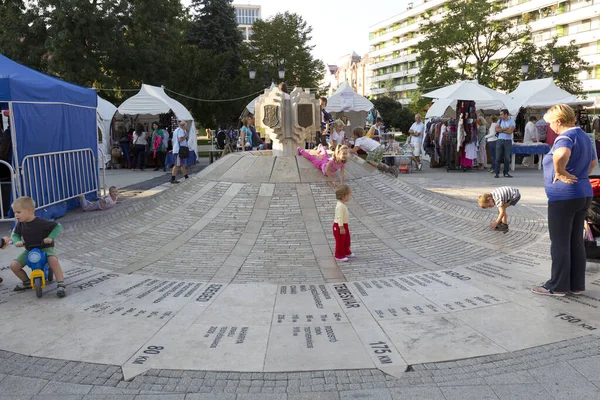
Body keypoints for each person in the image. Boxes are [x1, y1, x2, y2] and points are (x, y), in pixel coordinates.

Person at [532, 104, 596, 297]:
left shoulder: (566, 137)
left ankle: (557, 286)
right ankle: (576, 285)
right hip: (583, 193)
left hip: (564, 197)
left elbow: (561, 154)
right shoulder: (584, 136)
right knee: (575, 240)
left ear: (559, 121)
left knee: (559, 242)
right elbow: (593, 162)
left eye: (551, 123)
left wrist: (560, 172)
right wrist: (580, 175)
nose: (550, 127)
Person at [10, 196, 66, 297]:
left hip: (45, 248)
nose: (16, 215)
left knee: (53, 260)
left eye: (18, 212)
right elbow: (15, 234)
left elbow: (57, 226)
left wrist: (50, 237)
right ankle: (26, 281)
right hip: (29, 249)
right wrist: (17, 241)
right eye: (15, 212)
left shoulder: (41, 222)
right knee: (14, 265)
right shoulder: (20, 224)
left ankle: (61, 284)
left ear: (30, 210)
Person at [333, 184, 354, 262]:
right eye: (349, 195)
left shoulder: (342, 204)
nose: (350, 197)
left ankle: (346, 251)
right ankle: (339, 254)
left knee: (346, 239)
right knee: (340, 241)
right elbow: (339, 218)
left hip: (344, 225)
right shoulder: (340, 206)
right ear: (344, 196)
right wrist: (341, 227)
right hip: (339, 226)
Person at [494, 109, 516, 178]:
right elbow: (496, 130)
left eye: (501, 114)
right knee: (498, 157)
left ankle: (506, 172)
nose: (500, 116)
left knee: (507, 158)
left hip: (508, 141)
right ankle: (497, 172)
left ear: (506, 114)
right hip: (499, 140)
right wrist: (506, 128)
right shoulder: (499, 121)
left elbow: (510, 131)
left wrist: (501, 130)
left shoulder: (512, 121)